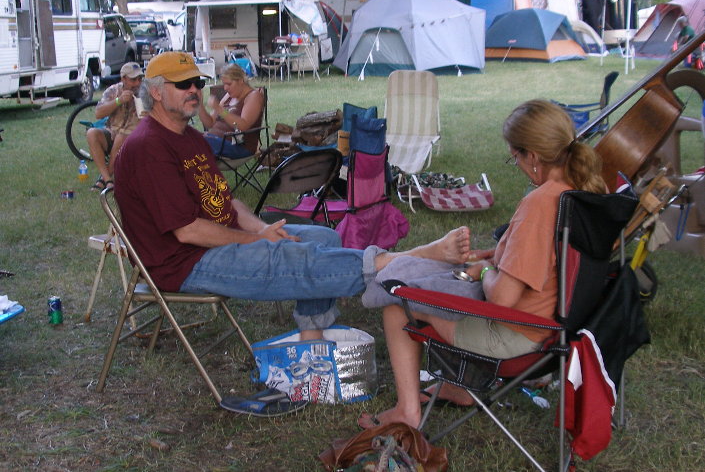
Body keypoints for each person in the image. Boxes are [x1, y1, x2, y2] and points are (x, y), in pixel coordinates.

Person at [113, 51, 472, 342]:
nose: (194, 90)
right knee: (293, 255)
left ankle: (311, 335)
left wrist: (261, 229)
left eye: (197, 82)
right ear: (156, 92)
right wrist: (257, 239)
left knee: (323, 236)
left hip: (216, 240)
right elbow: (188, 231)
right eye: (183, 84)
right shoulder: (148, 147)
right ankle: (405, 260)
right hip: (183, 262)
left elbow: (227, 202)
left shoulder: (190, 138)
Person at [357, 99, 608, 430]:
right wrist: (494, 256)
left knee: (398, 304)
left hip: (519, 338)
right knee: (447, 287)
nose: (517, 164)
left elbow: (502, 298)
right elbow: (548, 260)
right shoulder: (582, 192)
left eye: (515, 157)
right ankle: (458, 387)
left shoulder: (541, 204)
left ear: (533, 156)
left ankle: (407, 411)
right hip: (558, 328)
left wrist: (485, 270)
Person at [86, 62, 144, 190]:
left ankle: (104, 179)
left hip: (136, 138)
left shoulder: (147, 92)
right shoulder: (113, 90)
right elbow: (98, 113)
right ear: (123, 79)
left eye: (140, 79)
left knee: (121, 137)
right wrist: (119, 100)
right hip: (112, 132)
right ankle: (107, 178)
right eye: (133, 80)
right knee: (92, 133)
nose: (137, 83)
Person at [198, 64, 264, 159]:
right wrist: (199, 105)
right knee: (186, 136)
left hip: (238, 146)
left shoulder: (253, 96)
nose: (225, 88)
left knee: (196, 142)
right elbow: (210, 123)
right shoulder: (229, 96)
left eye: (229, 84)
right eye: (224, 84)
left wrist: (219, 109)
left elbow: (243, 126)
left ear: (241, 80)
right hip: (215, 141)